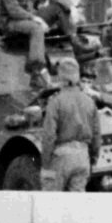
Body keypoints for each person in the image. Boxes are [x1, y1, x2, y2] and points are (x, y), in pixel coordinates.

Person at [40, 58, 101, 192]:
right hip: (83, 158)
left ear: (60, 77)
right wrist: (92, 160)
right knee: (77, 207)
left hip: (61, 158)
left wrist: (45, 164)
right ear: (78, 77)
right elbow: (96, 136)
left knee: (50, 203)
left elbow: (49, 136)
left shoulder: (55, 102)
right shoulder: (89, 102)